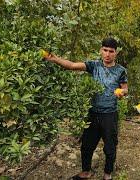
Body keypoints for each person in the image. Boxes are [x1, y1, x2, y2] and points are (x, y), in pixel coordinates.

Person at [44, 37, 127, 180]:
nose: (107, 54)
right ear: (101, 50)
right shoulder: (94, 66)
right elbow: (71, 65)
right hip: (93, 113)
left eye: (111, 51)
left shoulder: (120, 70)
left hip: (110, 115)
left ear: (116, 53)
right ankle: (86, 172)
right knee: (87, 145)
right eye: (105, 50)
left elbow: (125, 89)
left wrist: (121, 93)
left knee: (110, 147)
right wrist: (55, 59)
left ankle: (107, 174)